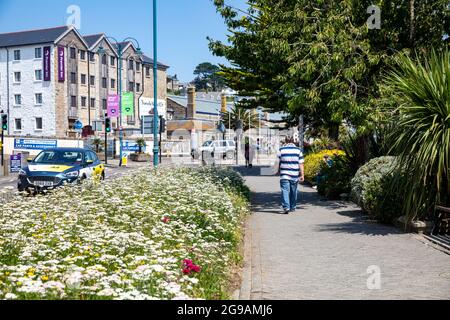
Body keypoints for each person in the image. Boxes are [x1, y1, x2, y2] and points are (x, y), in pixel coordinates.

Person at [277, 137, 305, 214]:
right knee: (294, 191)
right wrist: (302, 175)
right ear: (293, 141)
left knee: (285, 191)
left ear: (285, 141)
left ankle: (286, 207)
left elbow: (277, 162)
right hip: (295, 175)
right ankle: (292, 207)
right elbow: (301, 164)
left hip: (284, 174)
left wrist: (277, 171)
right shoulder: (298, 150)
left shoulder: (281, 150)